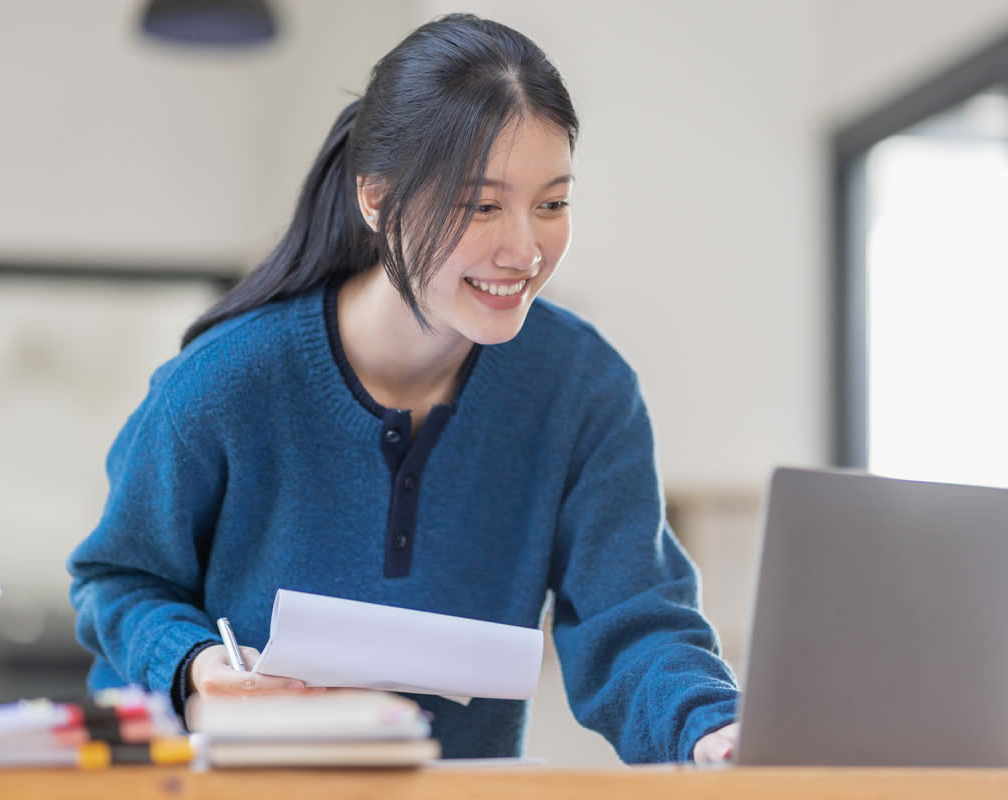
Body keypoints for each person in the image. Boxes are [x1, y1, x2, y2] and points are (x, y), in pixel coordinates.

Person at [67, 12, 740, 765]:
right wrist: (192, 667)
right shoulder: (226, 382)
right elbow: (116, 580)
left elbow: (634, 620)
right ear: (377, 199)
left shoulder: (585, 390)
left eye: (551, 203)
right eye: (481, 205)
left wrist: (710, 728)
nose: (525, 248)